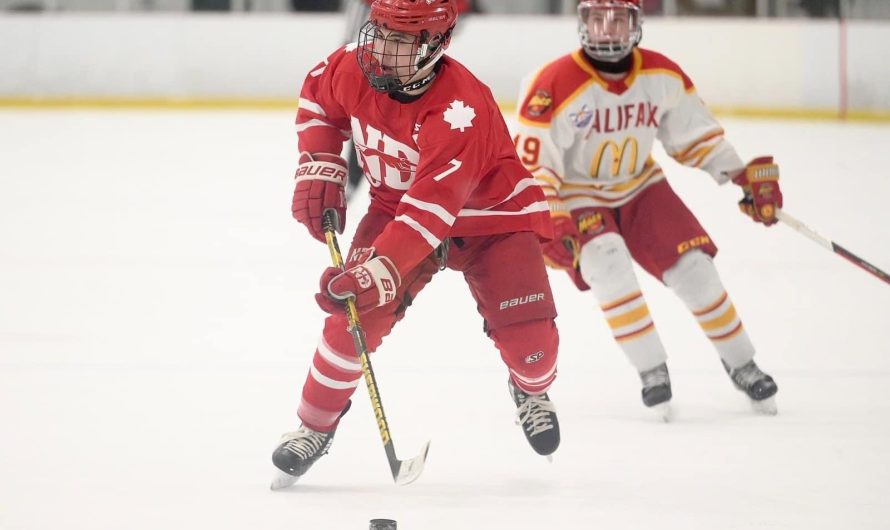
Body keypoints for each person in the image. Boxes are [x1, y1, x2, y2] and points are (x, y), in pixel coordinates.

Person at [272, 0, 562, 486]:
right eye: (379, 32)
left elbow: (432, 207)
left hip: (493, 220)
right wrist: (320, 160)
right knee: (351, 320)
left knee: (534, 350)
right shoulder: (352, 67)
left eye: (402, 40)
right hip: (395, 208)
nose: (382, 49)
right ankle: (313, 427)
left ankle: (530, 390)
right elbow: (318, 97)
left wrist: (377, 271)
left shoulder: (460, 107)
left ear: (435, 45)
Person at [514, 0, 779, 420]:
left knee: (695, 268)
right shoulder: (552, 83)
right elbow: (534, 165)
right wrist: (550, 216)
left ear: (637, 23)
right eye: (597, 19)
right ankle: (651, 369)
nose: (607, 29)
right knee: (606, 264)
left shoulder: (661, 74)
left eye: (619, 19)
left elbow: (695, 135)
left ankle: (742, 363)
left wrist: (742, 175)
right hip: (579, 193)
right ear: (583, 22)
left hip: (641, 186)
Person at [339, 0, 476, 202]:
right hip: (387, 13)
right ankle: (358, 182)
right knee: (371, 101)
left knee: (409, 84)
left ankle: (405, 185)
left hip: (425, 20)